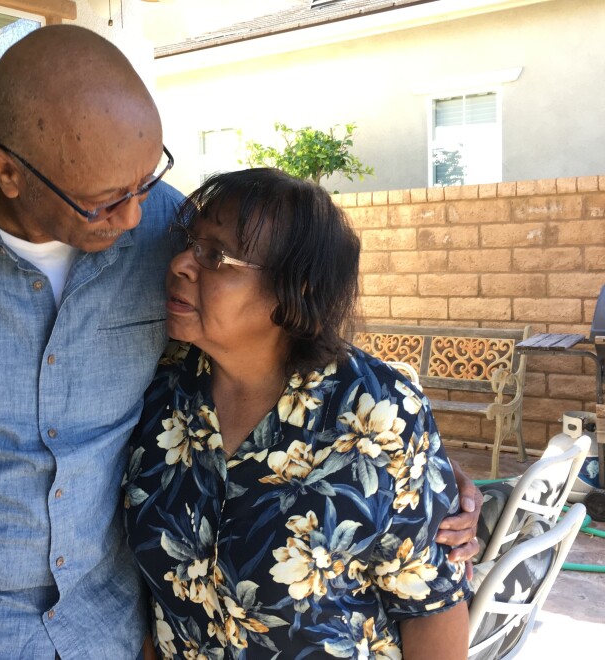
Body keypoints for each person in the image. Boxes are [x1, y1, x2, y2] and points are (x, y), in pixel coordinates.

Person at [0, 24, 479, 660]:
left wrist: (424, 484)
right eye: (107, 199)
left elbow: (290, 350)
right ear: (8, 171)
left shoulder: (164, 226)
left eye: (149, 180)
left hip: (106, 631)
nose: (142, 218)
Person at [123, 168, 470, 659]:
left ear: (297, 289)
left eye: (215, 255)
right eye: (188, 241)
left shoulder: (379, 415)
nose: (180, 263)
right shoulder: (162, 387)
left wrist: (440, 476)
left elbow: (431, 609)